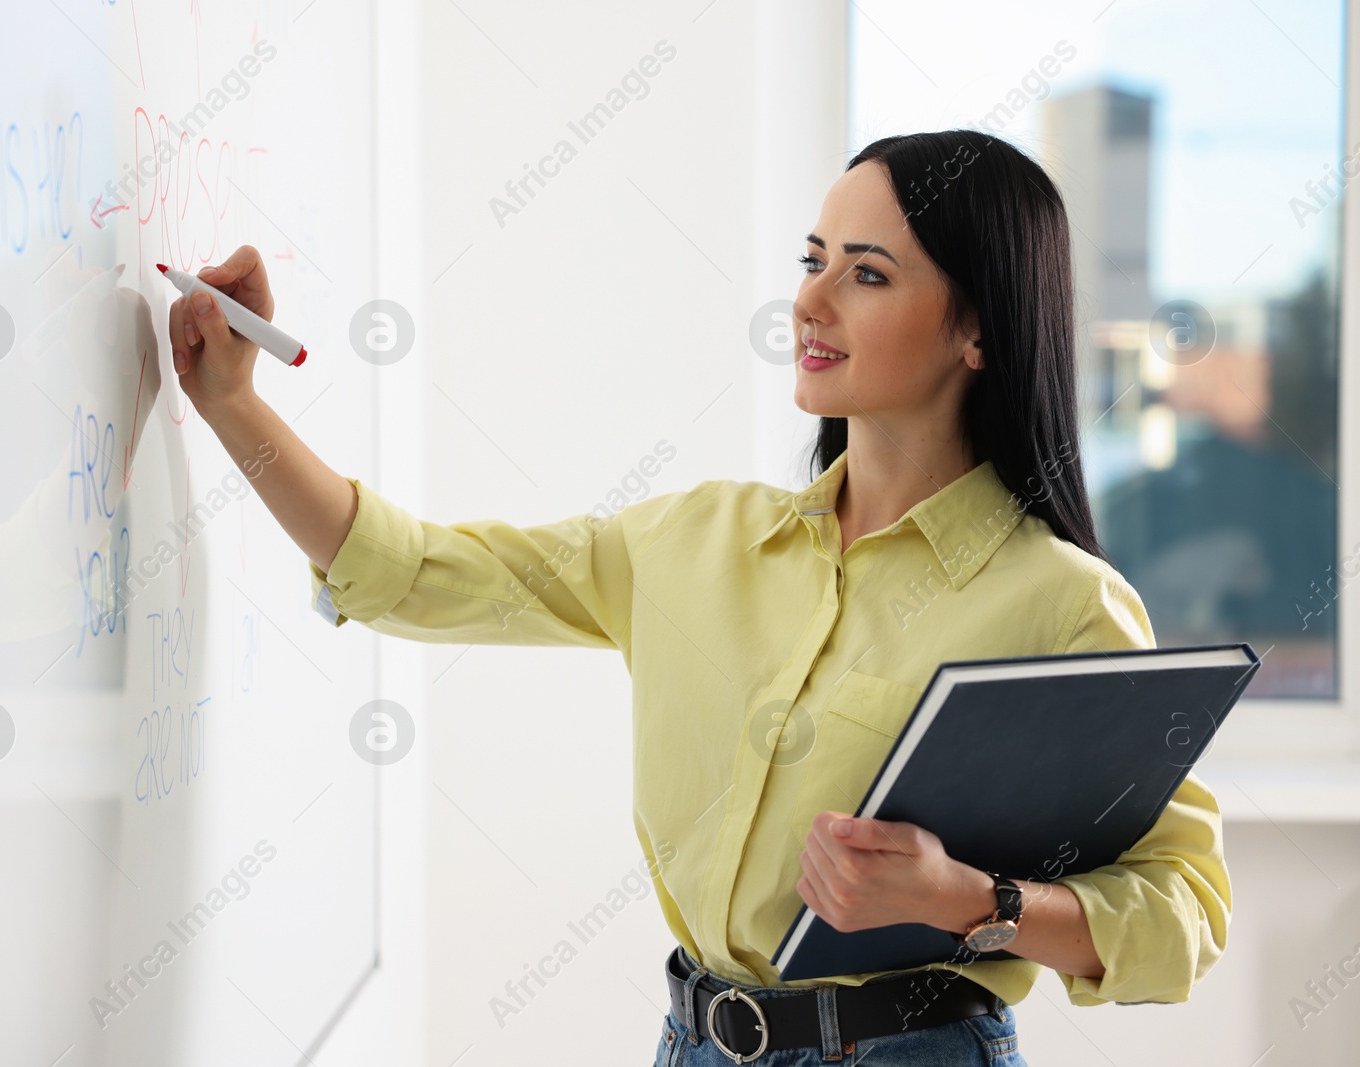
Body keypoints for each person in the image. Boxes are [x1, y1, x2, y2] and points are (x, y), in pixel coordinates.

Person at [166, 130, 1231, 1066]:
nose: (808, 300)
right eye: (811, 262)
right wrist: (230, 405)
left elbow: (1180, 912)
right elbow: (409, 571)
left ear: (977, 330)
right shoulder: (697, 539)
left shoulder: (1060, 604)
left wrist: (969, 901)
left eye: (865, 274)